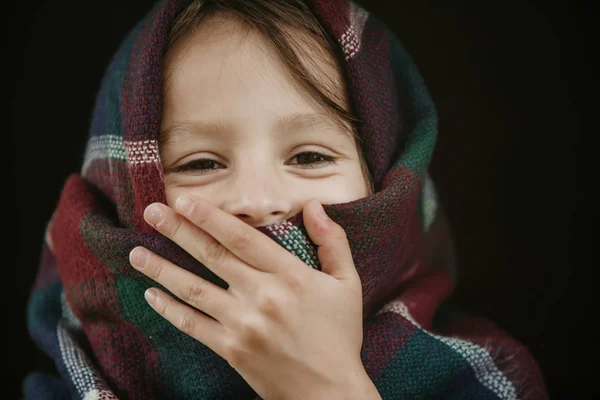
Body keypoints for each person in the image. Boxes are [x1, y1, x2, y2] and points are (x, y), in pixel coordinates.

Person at [24, 0, 548, 399]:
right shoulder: (68, 384)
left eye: (310, 156)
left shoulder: (488, 380)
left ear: (391, 182)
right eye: (201, 163)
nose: (258, 202)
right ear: (120, 194)